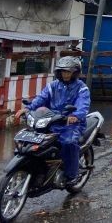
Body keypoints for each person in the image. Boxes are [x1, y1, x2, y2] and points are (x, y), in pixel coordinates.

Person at [15, 56, 90, 187]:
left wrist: (75, 116)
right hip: (51, 121)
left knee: (69, 143)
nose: (65, 74)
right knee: (31, 140)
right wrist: (27, 109)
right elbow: (40, 99)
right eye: (63, 71)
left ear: (75, 72)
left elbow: (82, 106)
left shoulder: (81, 88)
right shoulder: (52, 86)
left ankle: (72, 175)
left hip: (71, 124)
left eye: (68, 71)